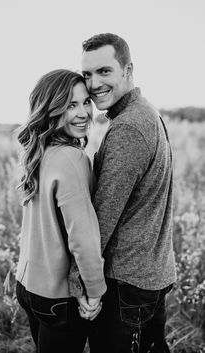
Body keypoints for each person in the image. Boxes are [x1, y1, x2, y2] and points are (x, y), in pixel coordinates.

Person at [80, 33, 177, 353]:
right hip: (148, 275)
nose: (93, 84)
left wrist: (80, 281)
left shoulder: (128, 128)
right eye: (87, 75)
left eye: (104, 71)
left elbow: (102, 217)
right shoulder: (143, 113)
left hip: (126, 285)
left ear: (127, 69)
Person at [15, 69, 106, 353]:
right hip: (59, 299)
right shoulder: (71, 159)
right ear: (51, 109)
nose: (83, 113)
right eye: (70, 105)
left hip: (28, 287)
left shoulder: (40, 153)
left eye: (85, 102)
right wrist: (94, 292)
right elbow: (83, 238)